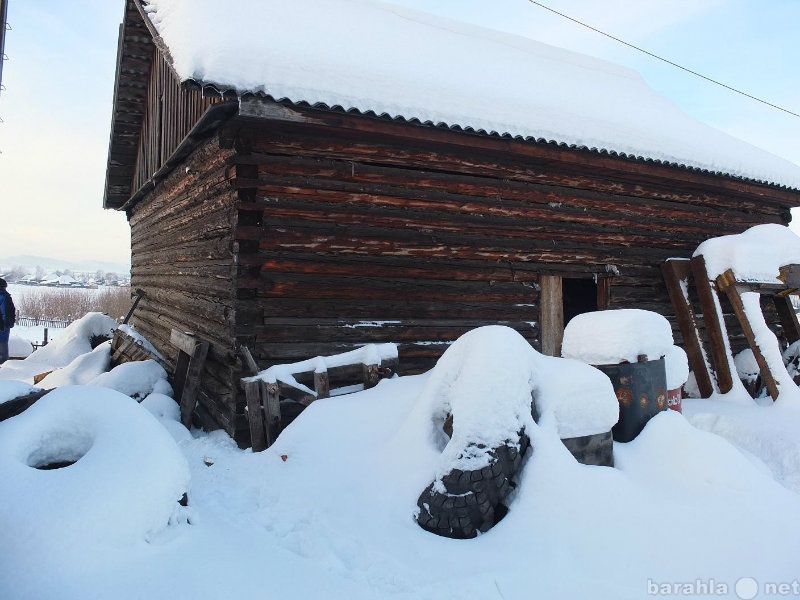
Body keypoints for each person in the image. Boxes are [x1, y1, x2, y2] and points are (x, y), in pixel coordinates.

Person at [0, 278, 14, 364]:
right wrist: (6, 324)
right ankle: (3, 371)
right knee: (3, 354)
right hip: (2, 327)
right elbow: (5, 312)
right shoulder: (3, 296)